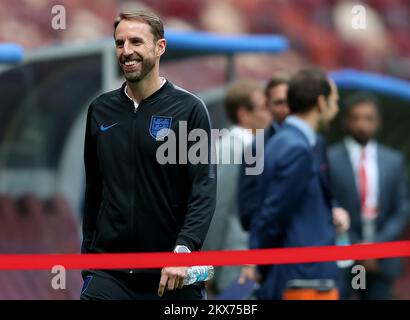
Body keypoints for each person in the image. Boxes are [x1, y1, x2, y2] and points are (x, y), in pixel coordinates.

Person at [81, 11, 216, 300]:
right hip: (110, 273)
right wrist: (88, 262)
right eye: (120, 43)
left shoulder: (189, 110)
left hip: (171, 275)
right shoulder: (100, 110)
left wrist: (184, 250)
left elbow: (203, 189)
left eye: (136, 42)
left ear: (160, 47)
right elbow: (94, 191)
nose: (126, 51)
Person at [249, 68, 341, 300]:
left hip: (301, 275)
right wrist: (259, 264)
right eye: (335, 100)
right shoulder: (296, 148)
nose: (336, 107)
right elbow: (273, 214)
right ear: (321, 102)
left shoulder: (286, 141)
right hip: (302, 279)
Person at [328, 92, 410, 300]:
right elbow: (327, 203)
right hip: (343, 254)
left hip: (382, 259)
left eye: (368, 118)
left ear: (378, 121)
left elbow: (402, 208)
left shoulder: (393, 160)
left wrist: (377, 247)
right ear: (345, 121)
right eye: (355, 118)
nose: (362, 125)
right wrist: (358, 248)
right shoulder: (330, 159)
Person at [202, 79, 271, 295]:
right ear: (244, 114)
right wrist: (208, 267)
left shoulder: (254, 148)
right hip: (234, 268)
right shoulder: (233, 149)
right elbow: (217, 209)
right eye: (263, 108)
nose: (270, 114)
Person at [237, 71, 290, 232]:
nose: (286, 108)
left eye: (290, 101)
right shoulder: (255, 149)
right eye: (279, 102)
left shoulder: (313, 141)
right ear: (267, 106)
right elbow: (247, 213)